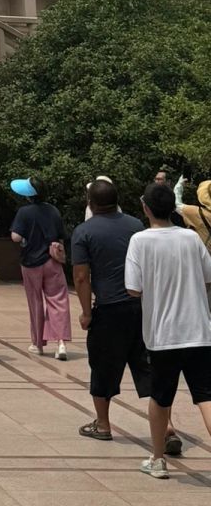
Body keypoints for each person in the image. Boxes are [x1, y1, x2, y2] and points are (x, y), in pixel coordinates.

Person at [125, 181, 211, 479]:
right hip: (199, 331)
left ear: (145, 208)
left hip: (163, 336)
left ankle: (158, 460)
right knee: (206, 396)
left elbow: (133, 288)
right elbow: (208, 277)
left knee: (160, 398)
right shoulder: (191, 238)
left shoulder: (139, 241)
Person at [71, 178, 164, 445]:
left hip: (108, 310)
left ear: (90, 203)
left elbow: (81, 277)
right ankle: (166, 428)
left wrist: (86, 313)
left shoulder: (84, 232)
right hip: (140, 308)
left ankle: (103, 424)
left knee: (102, 366)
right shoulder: (136, 226)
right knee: (147, 367)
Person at [10, 177, 72, 359]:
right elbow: (61, 235)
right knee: (58, 300)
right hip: (52, 260)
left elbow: (15, 237)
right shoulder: (53, 210)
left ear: (29, 195)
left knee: (35, 302)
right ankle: (61, 343)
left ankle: (37, 344)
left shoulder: (24, 212)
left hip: (31, 263)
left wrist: (25, 238)